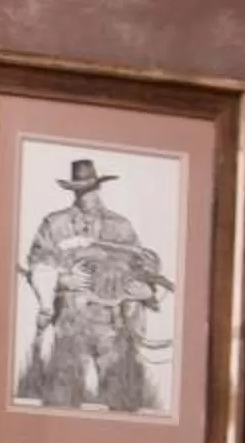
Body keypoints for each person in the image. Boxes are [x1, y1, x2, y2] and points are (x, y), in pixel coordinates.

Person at [18, 159, 173, 413]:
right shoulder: (54, 225)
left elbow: (142, 269)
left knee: (122, 399)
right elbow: (37, 266)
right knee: (61, 399)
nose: (86, 195)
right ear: (72, 190)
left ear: (98, 187)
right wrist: (64, 280)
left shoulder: (121, 227)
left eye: (89, 188)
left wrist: (146, 293)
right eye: (80, 189)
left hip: (113, 326)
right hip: (69, 323)